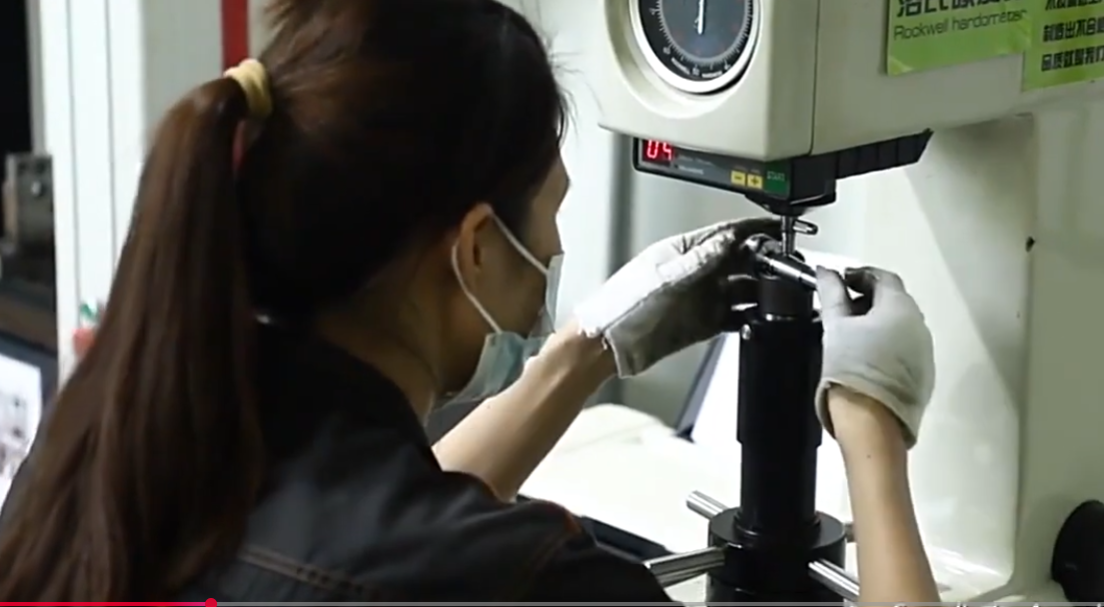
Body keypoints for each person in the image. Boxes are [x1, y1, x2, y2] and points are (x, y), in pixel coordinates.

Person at [0, 0, 939, 602]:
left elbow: (377, 526)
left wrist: (586, 351)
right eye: (552, 211)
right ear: (477, 246)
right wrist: (872, 432)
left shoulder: (105, 448)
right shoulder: (530, 581)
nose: (558, 251)